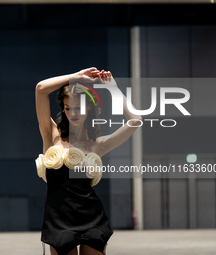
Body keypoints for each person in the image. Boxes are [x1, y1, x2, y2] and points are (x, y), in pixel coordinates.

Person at [35, 67, 142, 255]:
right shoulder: (51, 134)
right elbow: (41, 88)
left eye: (79, 108)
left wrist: (114, 89)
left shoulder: (97, 145)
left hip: (91, 217)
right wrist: (75, 77)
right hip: (58, 219)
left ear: (89, 107)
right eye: (68, 108)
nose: (73, 113)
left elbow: (136, 120)